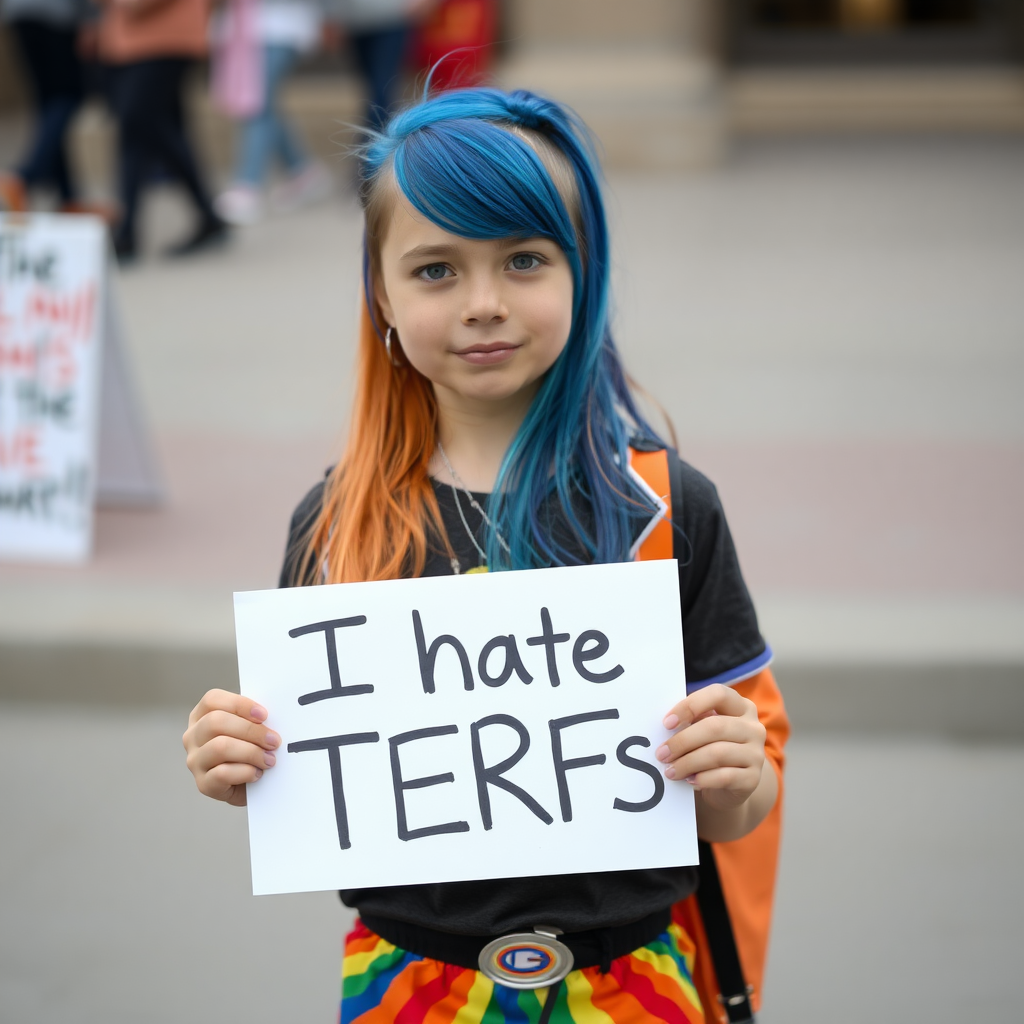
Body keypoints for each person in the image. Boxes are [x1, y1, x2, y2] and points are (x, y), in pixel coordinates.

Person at [183, 84, 786, 1023]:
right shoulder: (337, 524)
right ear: (378, 291)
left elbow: (734, 811)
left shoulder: (668, 508)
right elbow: (311, 778)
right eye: (436, 270)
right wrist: (237, 761)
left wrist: (740, 774)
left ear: (581, 271)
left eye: (523, 260)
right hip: (405, 988)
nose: (484, 303)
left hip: (634, 984)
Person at [96, 0, 228, 260]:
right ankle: (128, 232)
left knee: (139, 122)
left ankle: (128, 233)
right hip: (124, 41)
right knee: (139, 132)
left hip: (168, 38)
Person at [211, 0, 334, 226]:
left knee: (257, 104)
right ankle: (302, 171)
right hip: (241, 28)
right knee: (263, 105)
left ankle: (247, 184)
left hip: (281, 28)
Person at [0, 0, 89, 212]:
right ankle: (25, 176)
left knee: (48, 103)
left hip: (19, 12)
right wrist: (90, 16)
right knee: (68, 96)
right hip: (57, 14)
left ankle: (68, 199)